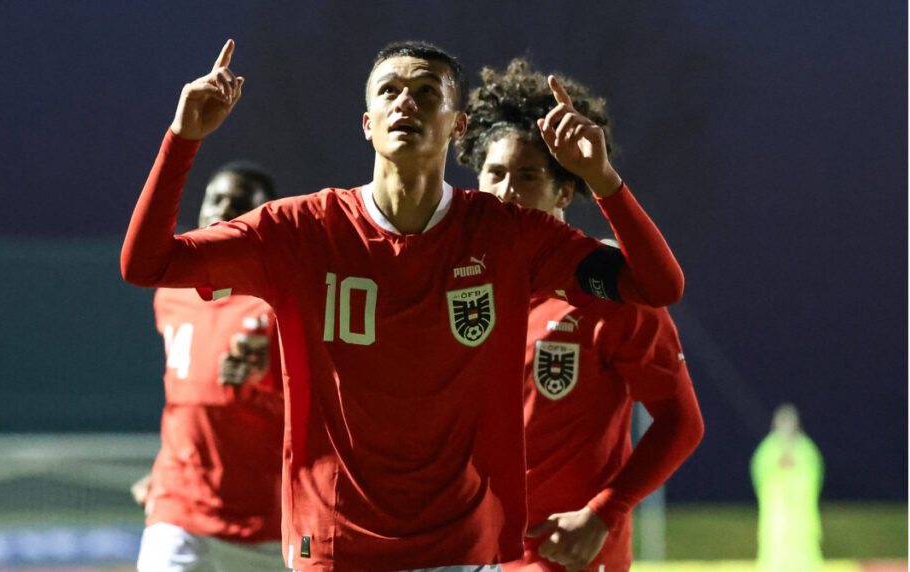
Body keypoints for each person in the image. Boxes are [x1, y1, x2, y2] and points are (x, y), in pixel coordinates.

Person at [121, 38, 684, 571]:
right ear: (368, 123)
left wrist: (602, 179)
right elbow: (147, 265)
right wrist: (182, 138)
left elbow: (657, 287)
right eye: (388, 90)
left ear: (457, 125)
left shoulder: (506, 236)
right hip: (334, 544)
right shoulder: (301, 231)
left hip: (461, 544)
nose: (405, 102)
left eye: (427, 92)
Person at [455, 59, 704, 572]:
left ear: (565, 191)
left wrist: (604, 513)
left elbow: (682, 422)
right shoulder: (457, 283)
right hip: (468, 553)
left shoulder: (605, 288)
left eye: (527, 176)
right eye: (494, 174)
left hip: (566, 556)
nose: (506, 191)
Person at [134, 163, 288, 572]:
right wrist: (164, 466)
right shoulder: (172, 288)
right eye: (215, 199)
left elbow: (325, 404)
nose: (222, 211)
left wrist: (268, 378)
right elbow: (186, 394)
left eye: (239, 205)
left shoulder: (287, 295)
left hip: (266, 521)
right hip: (179, 504)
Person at [751, 404, 824, 572]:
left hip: (801, 514)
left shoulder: (806, 448)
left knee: (804, 550)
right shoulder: (768, 449)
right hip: (776, 514)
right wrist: (778, 467)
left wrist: (795, 471)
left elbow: (814, 474)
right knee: (775, 549)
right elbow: (761, 473)